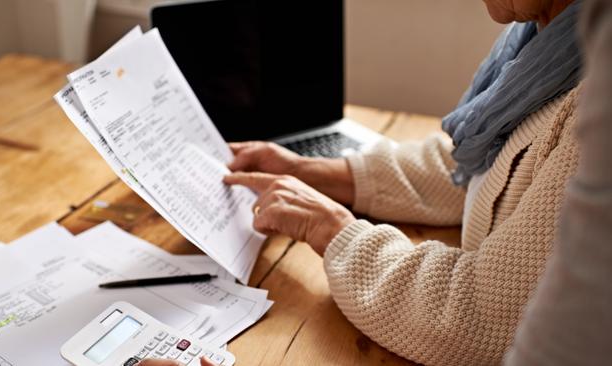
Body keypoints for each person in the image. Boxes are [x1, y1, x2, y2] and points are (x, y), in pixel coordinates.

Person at [144, 0, 583, 365]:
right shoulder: (553, 41)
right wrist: (314, 172)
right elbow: (479, 164)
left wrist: (332, 229)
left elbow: (479, 318)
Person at [504, 0, 612, 364]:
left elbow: (491, 312)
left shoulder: (588, 90)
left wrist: (336, 229)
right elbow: (473, 171)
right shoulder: (534, 41)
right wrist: (346, 171)